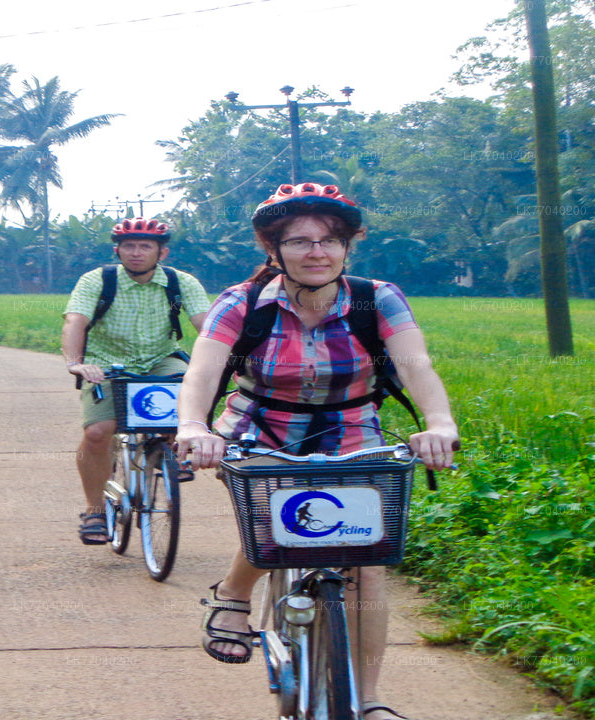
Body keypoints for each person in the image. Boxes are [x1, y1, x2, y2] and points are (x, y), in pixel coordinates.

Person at [172, 183, 459, 720]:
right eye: (299, 241)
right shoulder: (242, 303)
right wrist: (193, 425)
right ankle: (234, 595)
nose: (316, 252)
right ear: (274, 250)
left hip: (352, 432)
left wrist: (439, 421)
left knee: (366, 562)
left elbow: (417, 366)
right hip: (261, 430)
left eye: (330, 241)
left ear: (348, 248)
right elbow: (203, 371)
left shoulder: (379, 298)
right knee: (271, 520)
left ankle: (368, 698)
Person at [61, 217, 210, 544]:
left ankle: (171, 450)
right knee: (98, 432)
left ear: (163, 252)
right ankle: (95, 510)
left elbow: (208, 327)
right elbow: (75, 321)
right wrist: (76, 364)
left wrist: (232, 364)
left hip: (159, 357)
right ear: (118, 250)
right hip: (103, 364)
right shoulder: (97, 280)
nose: (137, 253)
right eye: (129, 246)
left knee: (189, 389)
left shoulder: (180, 282)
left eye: (146, 246)